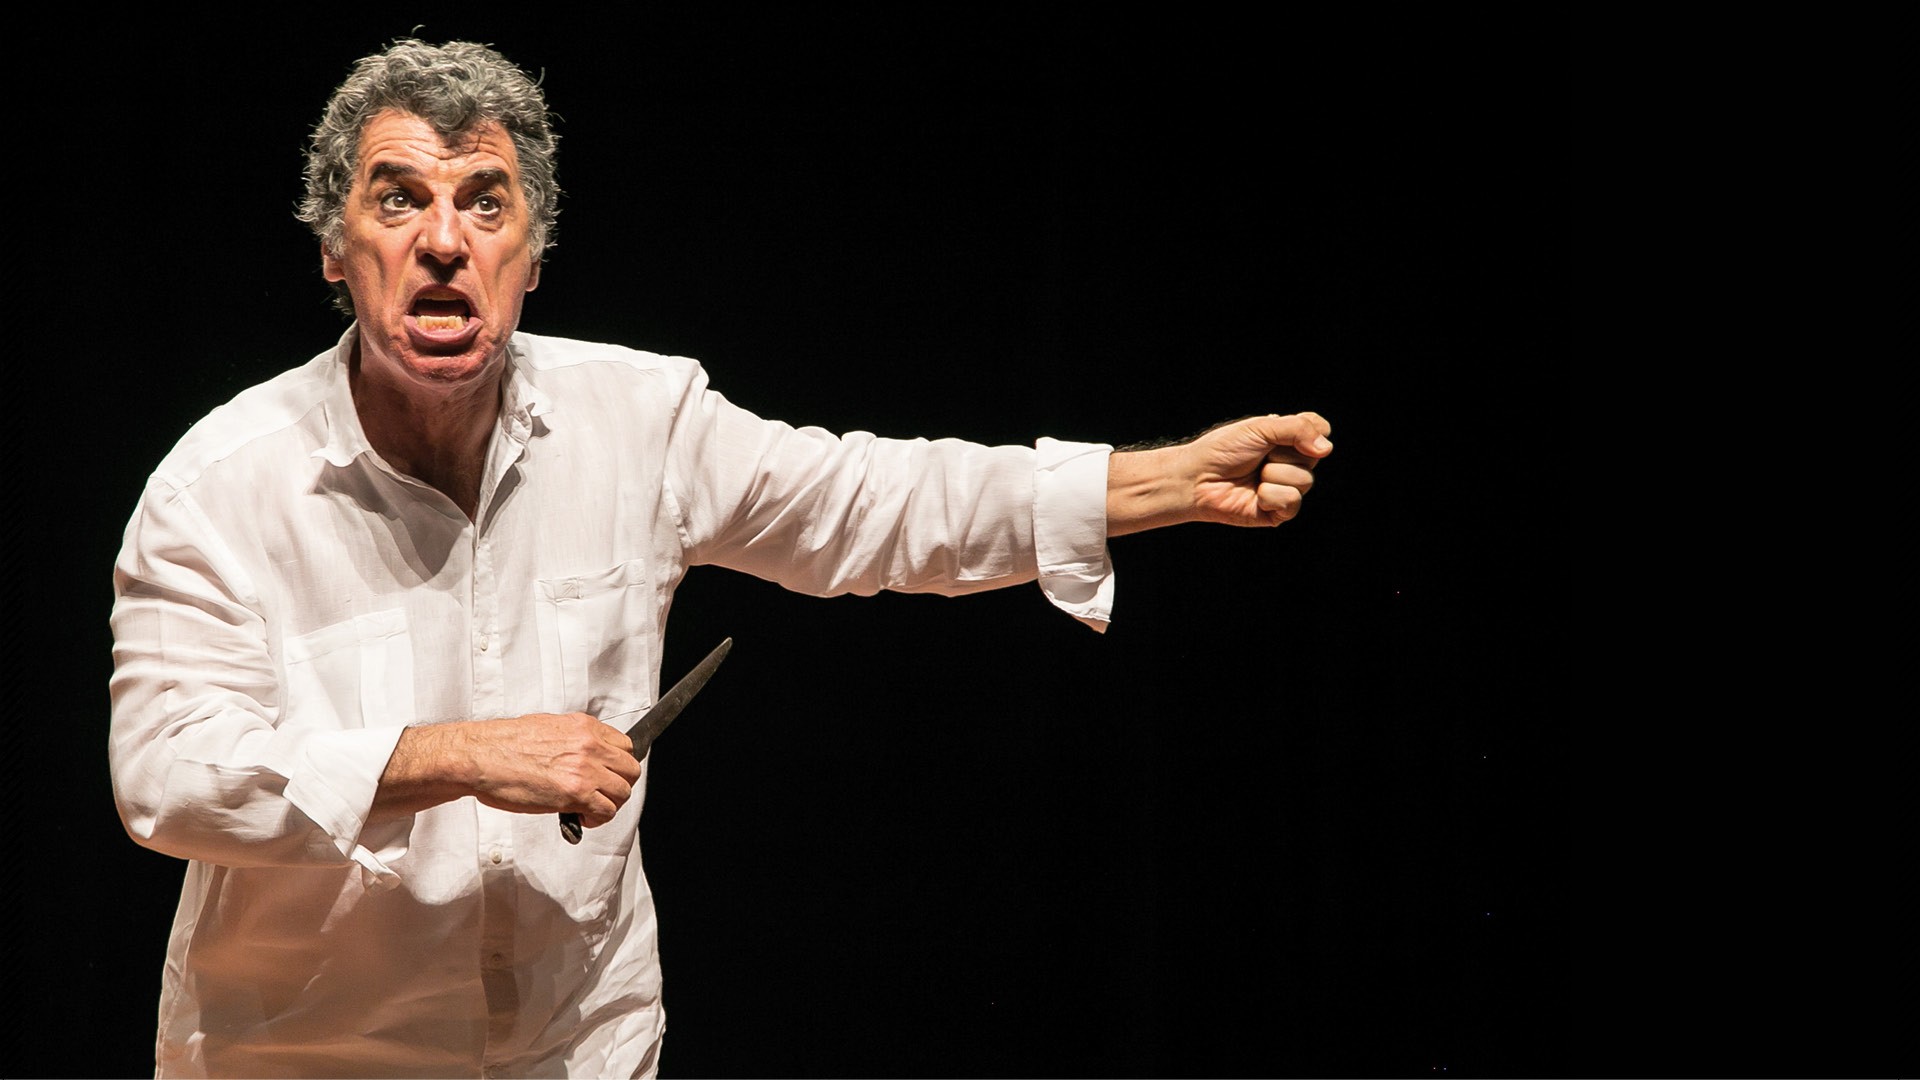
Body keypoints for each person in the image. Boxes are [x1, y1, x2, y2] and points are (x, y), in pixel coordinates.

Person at [108, 39, 1332, 1078]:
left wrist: (1158, 482)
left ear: (533, 251)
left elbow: (872, 503)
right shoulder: (220, 488)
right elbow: (166, 773)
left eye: (485, 203)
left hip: (579, 1045)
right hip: (304, 1052)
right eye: (396, 200)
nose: (443, 241)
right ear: (334, 248)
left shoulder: (644, 422)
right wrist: (460, 754)